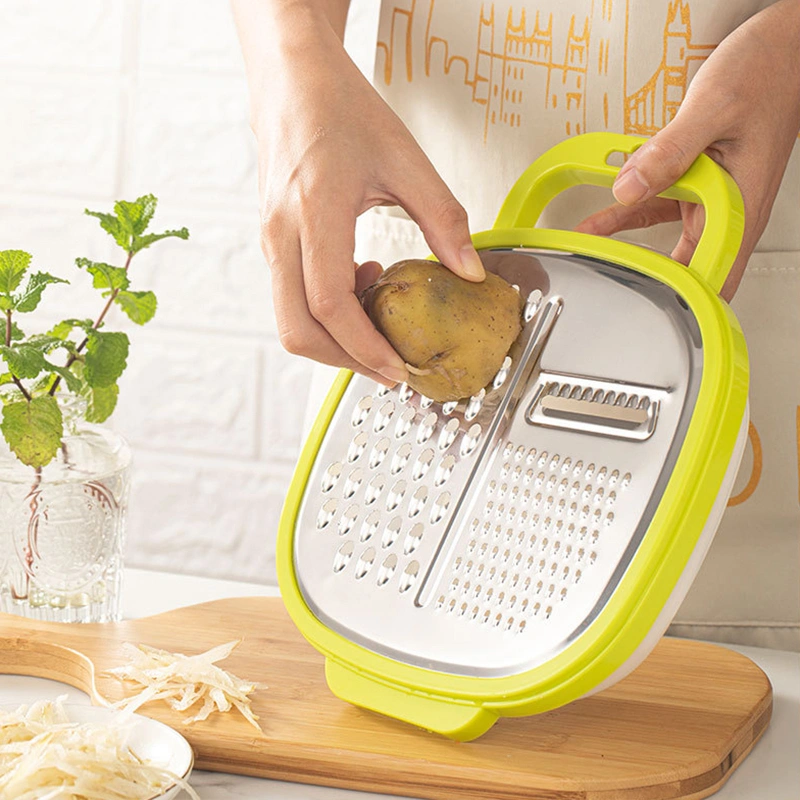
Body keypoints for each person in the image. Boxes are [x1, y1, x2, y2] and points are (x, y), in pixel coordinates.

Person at [232, 0, 800, 651]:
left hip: (754, 207)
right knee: (394, 636)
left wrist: (789, 52)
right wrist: (292, 59)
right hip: (441, 228)